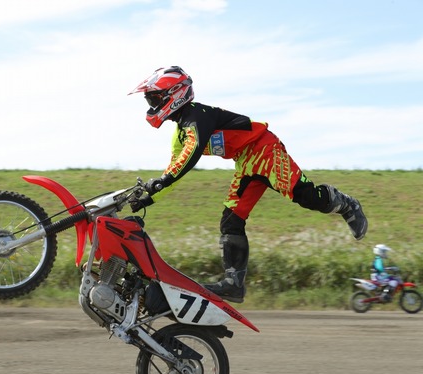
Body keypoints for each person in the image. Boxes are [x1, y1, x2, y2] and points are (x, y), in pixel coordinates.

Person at [128, 66, 368, 303]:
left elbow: (192, 151)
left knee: (306, 197)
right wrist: (149, 197)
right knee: (231, 219)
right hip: (245, 162)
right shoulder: (179, 134)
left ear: (175, 94)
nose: (152, 105)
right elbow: (174, 169)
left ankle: (347, 205)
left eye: (155, 98)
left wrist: (162, 181)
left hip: (265, 149)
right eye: (150, 100)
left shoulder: (197, 115)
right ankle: (234, 285)